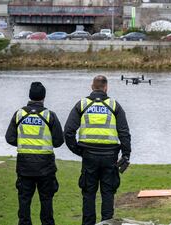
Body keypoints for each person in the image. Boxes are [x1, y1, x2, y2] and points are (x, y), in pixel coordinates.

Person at [64, 75, 131, 225]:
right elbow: (124, 132)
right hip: (110, 156)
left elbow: (68, 131)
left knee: (88, 194)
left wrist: (78, 150)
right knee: (108, 193)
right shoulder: (114, 106)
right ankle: (106, 223)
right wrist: (126, 154)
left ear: (92, 87)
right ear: (106, 88)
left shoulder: (82, 105)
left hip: (89, 155)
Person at [5, 82, 64, 225]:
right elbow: (58, 141)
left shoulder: (19, 114)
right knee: (46, 201)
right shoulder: (50, 115)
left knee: (24, 201)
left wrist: (25, 143)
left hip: (24, 165)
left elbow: (10, 138)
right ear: (44, 97)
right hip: (46, 166)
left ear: (29, 96)